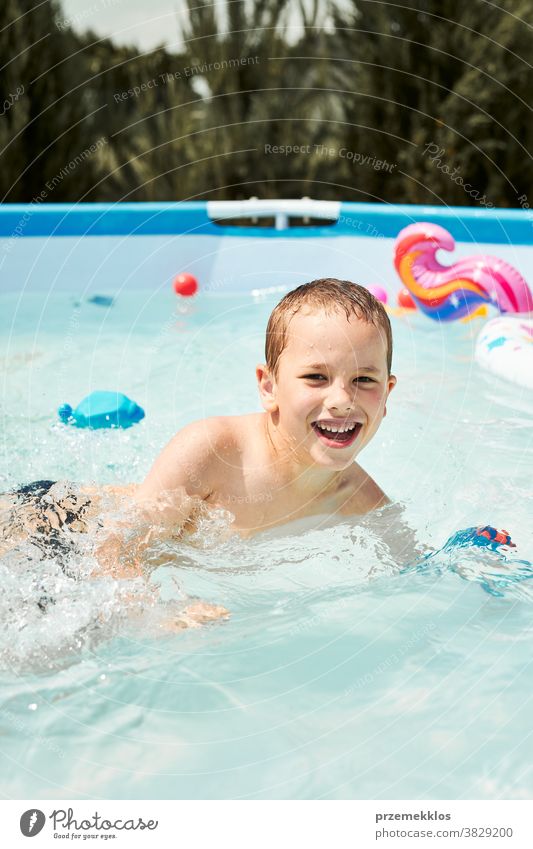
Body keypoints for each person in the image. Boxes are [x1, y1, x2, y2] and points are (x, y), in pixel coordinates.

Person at [134, 277, 397, 537]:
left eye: (364, 379)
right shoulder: (213, 452)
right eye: (316, 377)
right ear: (269, 387)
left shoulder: (366, 505)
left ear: (386, 395)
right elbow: (121, 546)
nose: (341, 401)